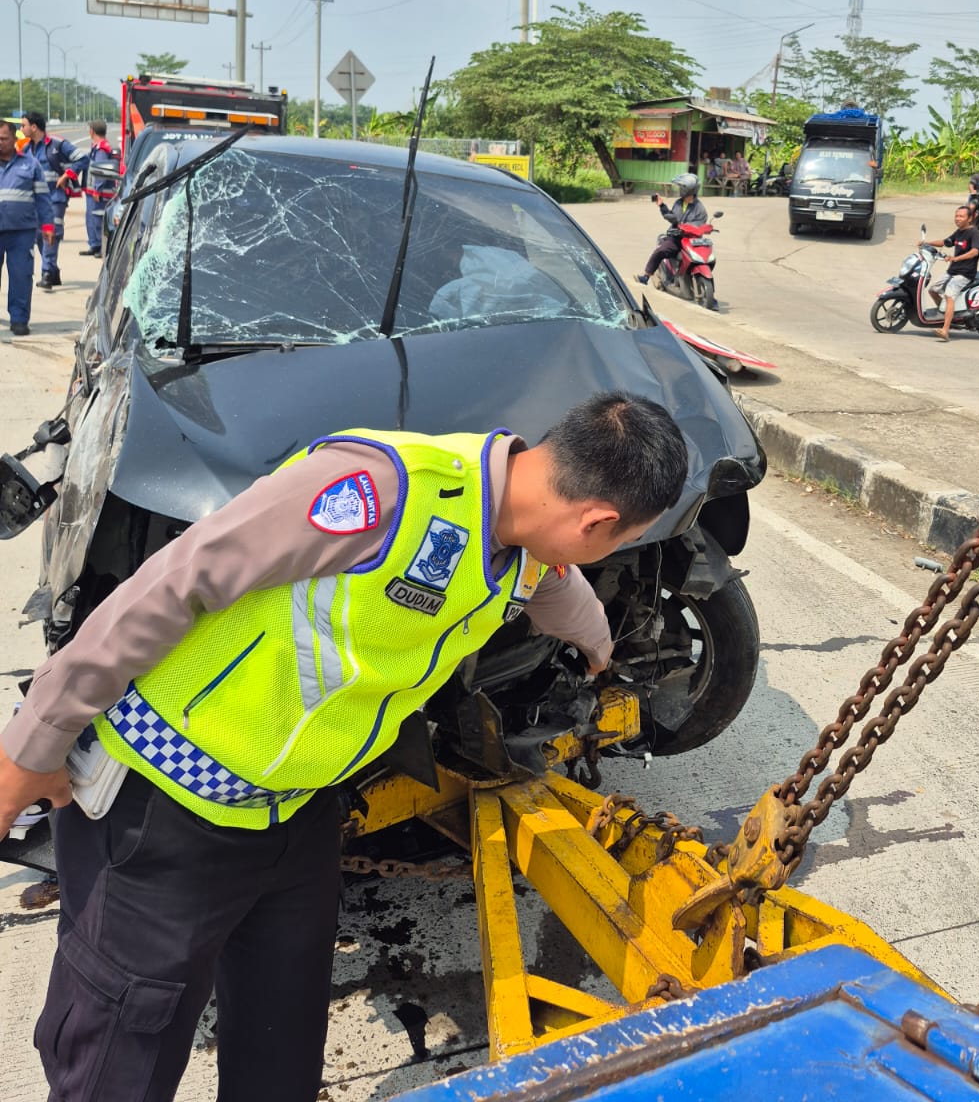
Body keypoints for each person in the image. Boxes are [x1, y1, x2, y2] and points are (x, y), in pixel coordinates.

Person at [0, 392, 690, 1100]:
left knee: (281, 1051)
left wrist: (599, 644)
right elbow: (175, 581)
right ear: (597, 520)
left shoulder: (527, 534)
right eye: (617, 541)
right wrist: (34, 744)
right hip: (163, 811)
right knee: (119, 1063)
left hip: (296, 815)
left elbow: (554, 583)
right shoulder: (380, 491)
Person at [0, 120, 55, 336]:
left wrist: (48, 225)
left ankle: (19, 318)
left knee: (21, 276)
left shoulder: (30, 165)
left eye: (3, 138)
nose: (0, 142)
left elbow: (43, 198)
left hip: (21, 232)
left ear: (15, 139)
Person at [21, 109, 81, 289]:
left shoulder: (57, 145)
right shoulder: (26, 149)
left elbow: (82, 158)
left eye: (23, 125)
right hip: (36, 201)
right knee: (40, 235)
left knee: (50, 234)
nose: (21, 129)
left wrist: (67, 175)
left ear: (34, 127)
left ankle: (46, 273)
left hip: (55, 198)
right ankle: (53, 272)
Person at [923, 205, 979, 342]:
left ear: (970, 218)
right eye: (956, 216)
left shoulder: (975, 233)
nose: (957, 218)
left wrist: (956, 258)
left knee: (949, 295)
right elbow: (945, 242)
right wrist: (926, 243)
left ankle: (945, 330)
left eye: (961, 216)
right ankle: (946, 314)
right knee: (933, 290)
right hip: (952, 271)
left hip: (965, 273)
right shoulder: (959, 232)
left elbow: (975, 251)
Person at [635, 173, 709, 285]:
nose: (679, 189)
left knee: (706, 257)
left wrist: (686, 227)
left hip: (691, 241)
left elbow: (699, 224)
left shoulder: (700, 208)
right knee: (660, 251)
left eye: (681, 187)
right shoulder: (679, 203)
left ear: (688, 189)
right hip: (676, 238)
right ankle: (646, 277)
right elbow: (672, 217)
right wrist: (661, 206)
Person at [79, 120, 117, 257]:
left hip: (98, 192)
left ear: (92, 131)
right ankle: (94, 245)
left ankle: (100, 246)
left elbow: (101, 170)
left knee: (97, 219)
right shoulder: (97, 146)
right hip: (92, 190)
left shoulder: (101, 148)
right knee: (91, 218)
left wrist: (97, 189)